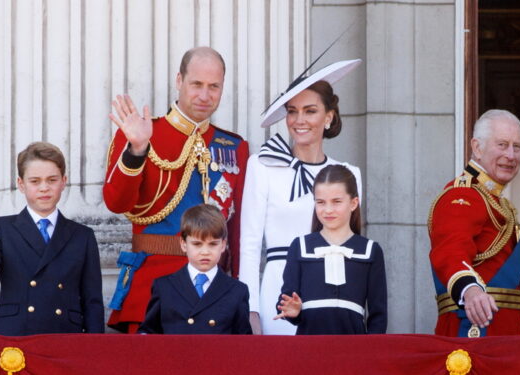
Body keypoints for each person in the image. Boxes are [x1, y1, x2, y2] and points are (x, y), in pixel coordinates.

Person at [104, 46, 249, 333]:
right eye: (196, 84)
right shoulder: (143, 132)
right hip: (152, 290)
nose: (205, 96)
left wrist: (239, 289)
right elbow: (116, 202)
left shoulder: (234, 146)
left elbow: (238, 229)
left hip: (213, 293)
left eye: (214, 87)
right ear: (179, 80)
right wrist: (137, 149)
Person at [238, 59, 363, 335]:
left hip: (332, 292)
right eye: (292, 111)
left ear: (328, 116)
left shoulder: (349, 174)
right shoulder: (262, 166)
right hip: (278, 290)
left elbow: (352, 249)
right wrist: (251, 309)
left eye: (310, 111)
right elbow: (248, 245)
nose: (299, 120)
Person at [428, 109, 520, 337]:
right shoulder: (462, 196)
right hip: (473, 335)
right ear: (477, 147)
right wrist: (469, 290)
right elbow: (449, 252)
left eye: (517, 147)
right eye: (502, 145)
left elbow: (503, 292)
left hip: (504, 339)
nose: (511, 155)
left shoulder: (494, 201)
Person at [0, 142, 104, 335]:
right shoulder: (0, 228)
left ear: (64, 181)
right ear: (21, 184)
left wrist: (94, 351)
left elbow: (92, 301)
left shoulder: (82, 235)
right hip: (15, 335)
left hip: (66, 336)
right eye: (35, 181)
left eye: (52, 180)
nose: (44, 188)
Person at [275, 165, 386, 334]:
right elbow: (286, 301)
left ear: (354, 203)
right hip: (309, 348)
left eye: (336, 202)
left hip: (354, 350)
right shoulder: (299, 247)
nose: (327, 210)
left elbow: (378, 315)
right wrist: (292, 311)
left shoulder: (371, 250)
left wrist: (371, 353)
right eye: (320, 202)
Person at [139, 204, 252, 334]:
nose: (205, 252)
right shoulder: (164, 287)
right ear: (183, 244)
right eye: (197, 244)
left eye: (213, 244)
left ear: (223, 245)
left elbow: (243, 343)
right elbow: (148, 334)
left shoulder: (237, 291)